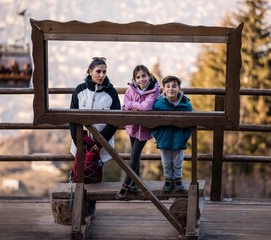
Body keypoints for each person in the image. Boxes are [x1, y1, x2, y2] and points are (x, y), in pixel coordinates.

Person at [69, 57, 121, 219]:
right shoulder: (80, 90)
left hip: (102, 143)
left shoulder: (110, 92)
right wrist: (80, 140)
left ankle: (91, 206)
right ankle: (77, 204)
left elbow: (114, 121)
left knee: (96, 174)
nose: (101, 75)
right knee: (78, 172)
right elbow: (73, 118)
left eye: (104, 72)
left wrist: (99, 142)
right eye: (98, 71)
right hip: (81, 141)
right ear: (89, 72)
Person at [116, 65, 160, 200]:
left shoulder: (154, 91)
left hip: (144, 128)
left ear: (149, 76)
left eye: (144, 76)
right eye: (138, 77)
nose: (141, 79)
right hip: (133, 126)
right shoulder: (130, 90)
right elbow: (124, 107)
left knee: (134, 155)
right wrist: (135, 106)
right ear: (134, 79)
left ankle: (126, 185)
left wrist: (133, 105)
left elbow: (146, 107)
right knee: (135, 156)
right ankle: (136, 183)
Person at [151, 75, 193, 192]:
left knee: (178, 161)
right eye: (168, 86)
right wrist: (158, 136)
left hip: (179, 138)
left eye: (174, 86)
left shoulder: (185, 104)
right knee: (166, 162)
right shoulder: (159, 104)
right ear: (163, 89)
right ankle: (168, 180)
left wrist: (185, 137)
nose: (171, 89)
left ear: (179, 88)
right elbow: (152, 122)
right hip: (164, 137)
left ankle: (178, 180)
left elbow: (191, 122)